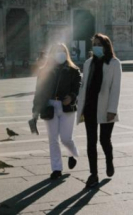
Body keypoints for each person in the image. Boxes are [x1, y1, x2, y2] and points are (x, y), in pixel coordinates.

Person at [77, 33, 122, 189]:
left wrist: (112, 109)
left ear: (106, 46)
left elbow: (115, 89)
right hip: (89, 106)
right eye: (94, 44)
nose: (96, 47)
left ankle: (109, 160)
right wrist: (80, 105)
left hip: (105, 107)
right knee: (91, 142)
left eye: (99, 44)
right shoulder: (88, 63)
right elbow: (85, 85)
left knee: (104, 140)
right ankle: (93, 174)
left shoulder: (114, 63)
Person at [32, 43, 81, 180]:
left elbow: (78, 87)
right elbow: (39, 92)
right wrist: (35, 111)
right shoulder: (44, 70)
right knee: (53, 139)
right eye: (57, 51)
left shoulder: (73, 70)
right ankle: (57, 169)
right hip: (50, 106)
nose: (60, 54)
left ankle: (72, 154)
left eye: (63, 51)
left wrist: (71, 97)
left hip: (67, 106)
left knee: (66, 138)